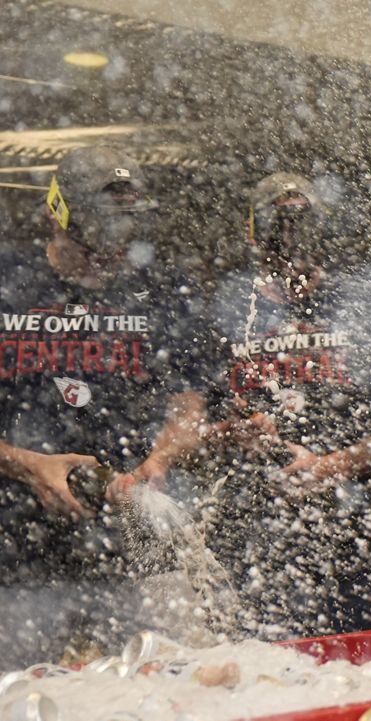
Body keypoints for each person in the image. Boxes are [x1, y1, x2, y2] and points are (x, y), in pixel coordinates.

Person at [198, 172, 371, 638]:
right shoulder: (224, 308)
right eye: (278, 224)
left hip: (365, 532)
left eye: (300, 223)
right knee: (271, 686)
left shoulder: (365, 302)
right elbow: (193, 431)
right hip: (259, 540)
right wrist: (234, 433)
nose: (289, 237)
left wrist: (336, 465)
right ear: (252, 232)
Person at [0, 146, 205, 666]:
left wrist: (158, 461)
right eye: (100, 227)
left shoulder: (163, 289)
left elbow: (189, 407)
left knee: (156, 694)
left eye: (125, 227)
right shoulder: (6, 285)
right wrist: (28, 465)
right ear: (59, 211)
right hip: (17, 563)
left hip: (133, 553)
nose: (113, 247)